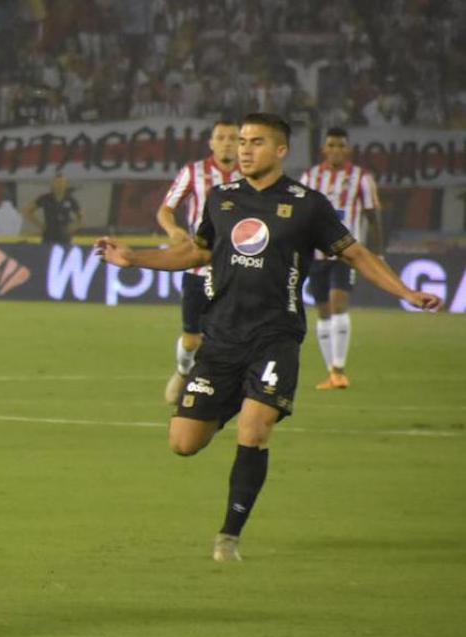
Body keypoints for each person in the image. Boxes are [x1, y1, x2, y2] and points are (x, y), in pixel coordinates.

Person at [94, 113, 441, 562]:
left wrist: (405, 291)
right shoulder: (221, 199)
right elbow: (195, 251)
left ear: (280, 151)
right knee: (183, 443)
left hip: (275, 336)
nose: (243, 149)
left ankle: (228, 538)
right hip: (221, 337)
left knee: (254, 431)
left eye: (255, 142)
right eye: (241, 141)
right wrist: (134, 258)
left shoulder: (307, 204)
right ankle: (236, 398)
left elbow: (355, 253)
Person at [157, 119, 241, 404]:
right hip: (198, 267)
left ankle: (225, 387)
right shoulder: (194, 173)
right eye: (221, 137)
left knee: (233, 335)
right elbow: (166, 210)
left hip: (238, 269)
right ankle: (183, 371)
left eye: (233, 137)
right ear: (212, 142)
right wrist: (173, 230)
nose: (227, 142)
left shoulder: (253, 175)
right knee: (192, 339)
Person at [299, 127, 382, 390]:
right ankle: (331, 372)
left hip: (346, 254)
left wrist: (376, 253)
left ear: (348, 150)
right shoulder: (310, 177)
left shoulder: (361, 178)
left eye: (340, 145)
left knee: (338, 303)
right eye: (331, 145)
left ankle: (339, 368)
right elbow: (300, 216)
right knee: (323, 312)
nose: (335, 150)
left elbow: (372, 216)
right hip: (316, 254)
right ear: (324, 149)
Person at [22, 171, 81, 246]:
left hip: (64, 236)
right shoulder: (45, 198)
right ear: (52, 184)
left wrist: (74, 228)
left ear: (66, 184)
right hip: (49, 234)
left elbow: (81, 216)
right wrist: (40, 225)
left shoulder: (70, 200)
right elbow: (27, 211)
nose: (60, 185)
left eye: (62, 182)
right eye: (57, 182)